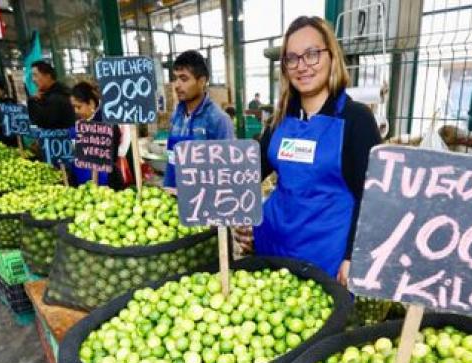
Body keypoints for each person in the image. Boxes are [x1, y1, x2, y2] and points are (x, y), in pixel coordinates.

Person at [234, 16, 381, 285]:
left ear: (331, 57)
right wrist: (240, 218)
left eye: (312, 54)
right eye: (292, 58)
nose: (302, 66)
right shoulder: (279, 119)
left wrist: (352, 256)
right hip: (272, 248)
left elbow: (372, 198)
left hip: (326, 260)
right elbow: (244, 174)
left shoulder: (356, 119)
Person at [163, 50, 234, 189]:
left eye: (184, 79)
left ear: (201, 81)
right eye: (175, 78)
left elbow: (229, 170)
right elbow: (172, 158)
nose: (177, 85)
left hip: (204, 200)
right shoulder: (176, 116)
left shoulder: (218, 120)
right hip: (175, 194)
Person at [69, 81, 129, 190]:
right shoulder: (77, 120)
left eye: (78, 107)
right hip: (81, 179)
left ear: (91, 103)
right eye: (73, 107)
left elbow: (112, 155)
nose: (75, 111)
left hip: (106, 181)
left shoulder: (108, 120)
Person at [27, 61, 75, 129]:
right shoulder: (61, 92)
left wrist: (33, 101)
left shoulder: (56, 98)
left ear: (47, 76)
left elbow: (42, 123)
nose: (33, 80)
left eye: (35, 75)